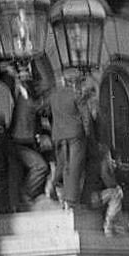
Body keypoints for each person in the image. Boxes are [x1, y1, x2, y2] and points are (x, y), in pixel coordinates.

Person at [0, 66, 48, 209]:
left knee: (19, 174)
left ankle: (22, 199)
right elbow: (35, 104)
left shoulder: (26, 95)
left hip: (24, 142)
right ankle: (25, 195)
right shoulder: (22, 95)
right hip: (18, 143)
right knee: (40, 167)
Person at [46, 72, 89, 209]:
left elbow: (46, 112)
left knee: (62, 165)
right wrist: (87, 134)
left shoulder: (53, 97)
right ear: (74, 82)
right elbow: (86, 117)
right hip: (75, 135)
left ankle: (52, 186)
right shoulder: (76, 95)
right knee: (74, 167)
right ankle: (70, 201)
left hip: (58, 136)